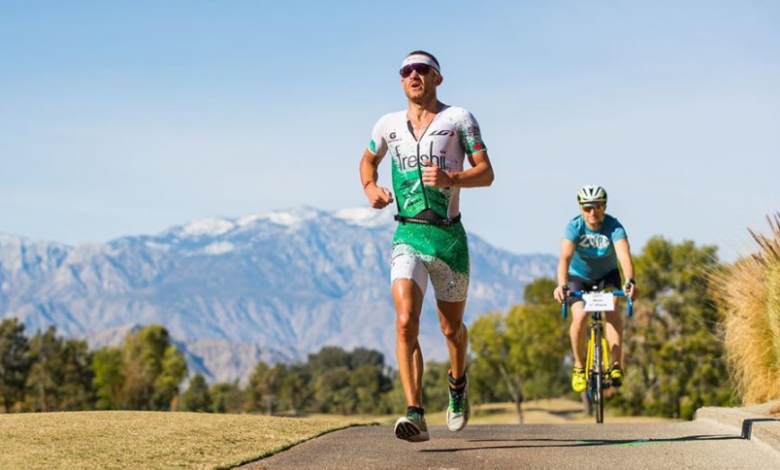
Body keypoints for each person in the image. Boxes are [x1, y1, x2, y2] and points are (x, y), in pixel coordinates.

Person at [359, 51, 494, 442]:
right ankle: (415, 412)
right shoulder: (387, 125)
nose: (414, 75)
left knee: (451, 329)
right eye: (407, 71)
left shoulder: (459, 120)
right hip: (408, 235)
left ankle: (457, 384)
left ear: (438, 78)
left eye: (422, 70)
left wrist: (452, 177)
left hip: (449, 238)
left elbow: (486, 173)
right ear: (401, 81)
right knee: (405, 322)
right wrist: (370, 188)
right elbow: (367, 162)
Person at [553, 185, 638, 393]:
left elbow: (624, 257)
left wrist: (630, 281)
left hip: (607, 276)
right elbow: (564, 259)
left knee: (612, 311)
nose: (592, 213)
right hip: (578, 277)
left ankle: (616, 364)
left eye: (597, 208)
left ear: (604, 207)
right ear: (581, 209)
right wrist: (562, 285)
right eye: (587, 208)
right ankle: (579, 366)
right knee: (580, 316)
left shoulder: (614, 227)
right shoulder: (574, 227)